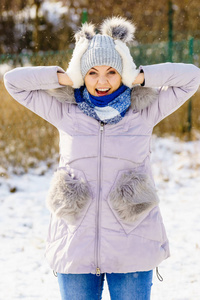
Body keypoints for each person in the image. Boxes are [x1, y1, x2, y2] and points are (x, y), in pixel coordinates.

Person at [4, 16, 200, 300]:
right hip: (75, 243)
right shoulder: (66, 113)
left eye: (112, 71)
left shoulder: (143, 112)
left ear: (124, 74)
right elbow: (13, 82)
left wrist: (139, 76)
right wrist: (67, 77)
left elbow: (191, 76)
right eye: (92, 72)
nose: (102, 81)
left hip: (132, 243)